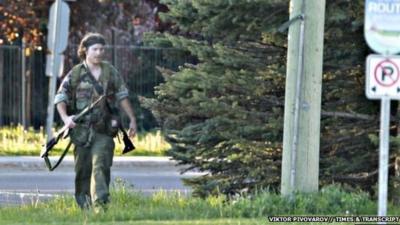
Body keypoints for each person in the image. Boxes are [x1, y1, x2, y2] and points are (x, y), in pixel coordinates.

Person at [54, 33, 137, 212]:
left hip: (104, 130)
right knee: (82, 171)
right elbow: (61, 97)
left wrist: (132, 119)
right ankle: (85, 209)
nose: (99, 53)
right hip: (81, 132)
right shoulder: (75, 73)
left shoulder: (110, 71)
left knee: (100, 167)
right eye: (95, 49)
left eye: (101, 49)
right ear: (85, 50)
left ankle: (101, 208)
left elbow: (122, 95)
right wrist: (66, 118)